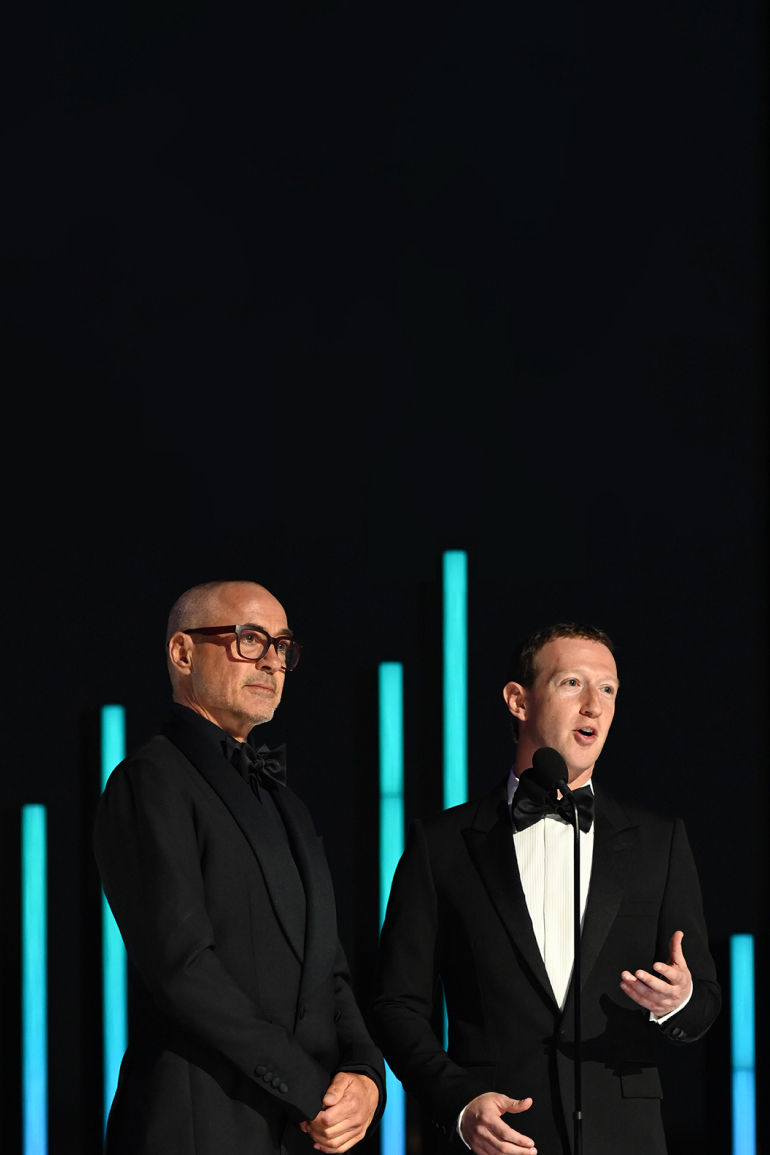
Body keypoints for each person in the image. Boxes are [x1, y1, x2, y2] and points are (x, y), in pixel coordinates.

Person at [372, 623, 719, 1155]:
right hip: (500, 1139)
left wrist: (679, 1000)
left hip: (625, 1140)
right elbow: (397, 1006)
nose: (593, 706)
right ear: (519, 701)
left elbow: (704, 1006)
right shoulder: (439, 844)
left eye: (607, 689)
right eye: (572, 683)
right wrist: (459, 1104)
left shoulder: (659, 842)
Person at [94, 580, 384, 1155]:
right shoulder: (150, 780)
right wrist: (309, 1089)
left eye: (282, 647)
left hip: (305, 1130)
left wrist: (364, 1072)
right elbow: (182, 969)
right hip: (199, 1122)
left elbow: (329, 965)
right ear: (183, 653)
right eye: (251, 640)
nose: (273, 662)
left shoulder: (286, 800)